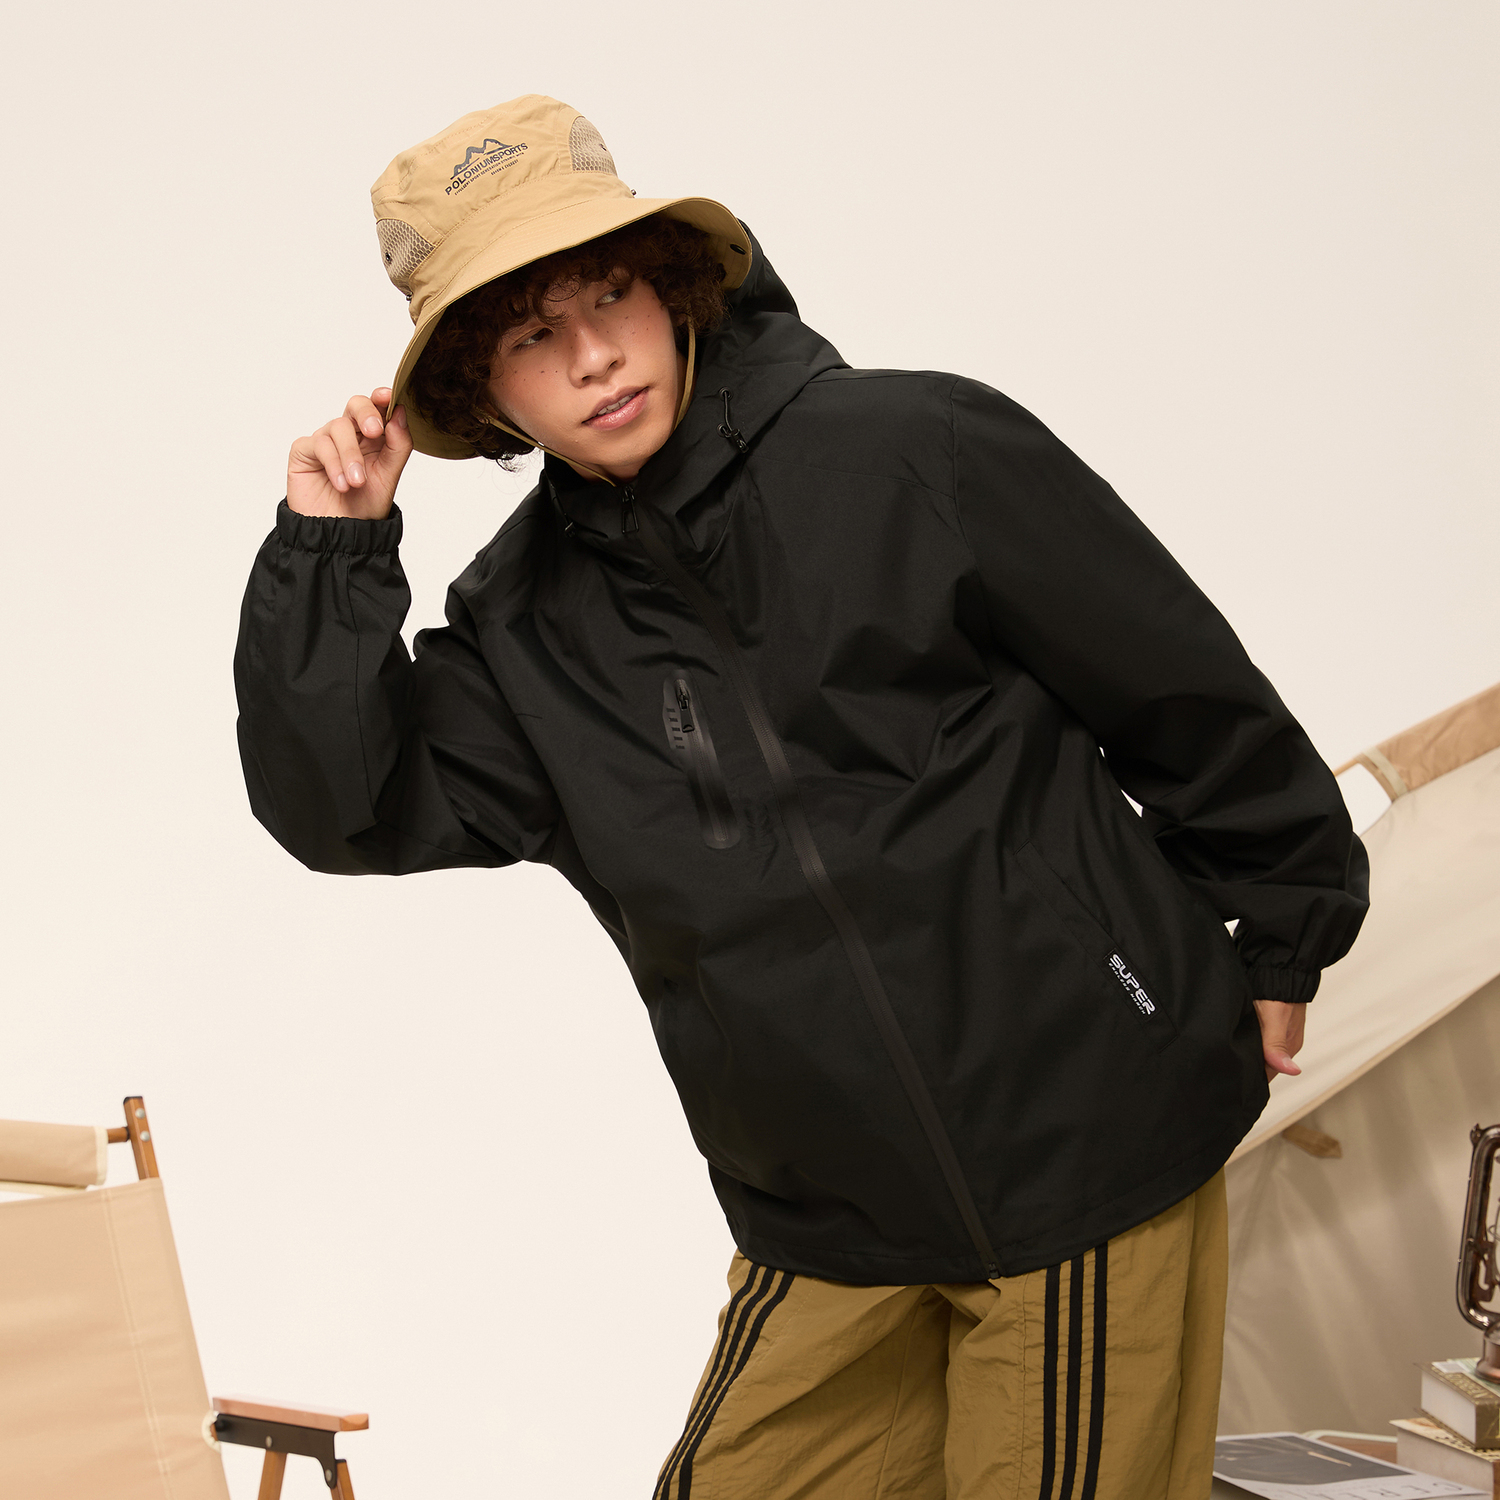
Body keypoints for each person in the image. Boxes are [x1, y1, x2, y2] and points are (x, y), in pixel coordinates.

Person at [235, 95, 1369, 1499]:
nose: (593, 356)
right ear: (479, 390)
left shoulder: (914, 447)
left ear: (671, 285)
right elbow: (349, 811)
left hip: (1086, 1134)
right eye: (530, 336)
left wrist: (1282, 928)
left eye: (609, 295)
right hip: (827, 1215)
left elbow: (1178, 686)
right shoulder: (520, 628)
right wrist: (331, 559)